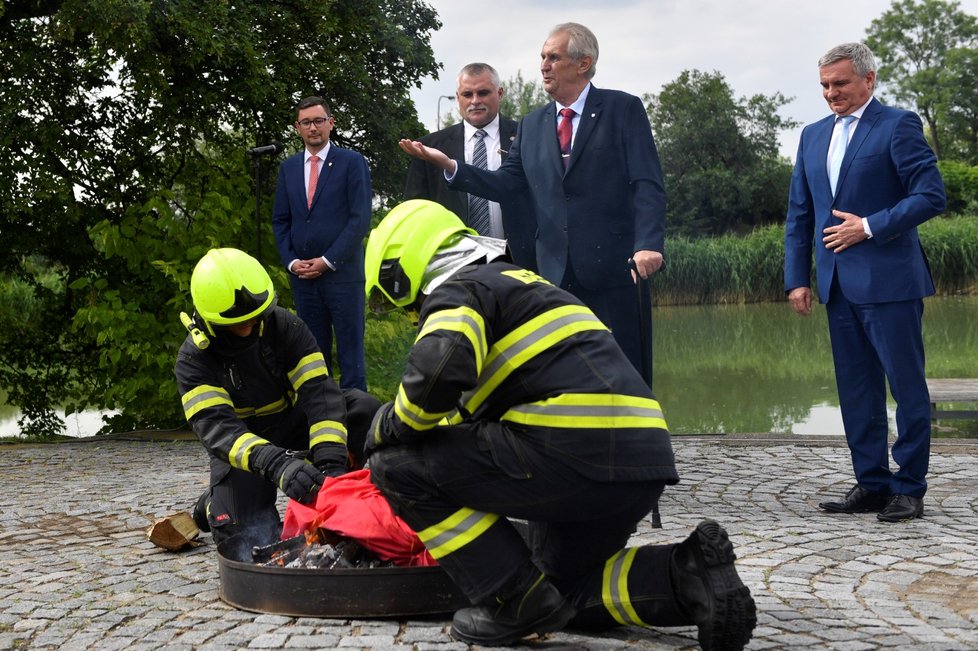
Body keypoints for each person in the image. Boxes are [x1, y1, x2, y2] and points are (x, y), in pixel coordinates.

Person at [361, 200, 755, 649]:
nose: (414, 316)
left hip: (568, 450)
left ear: (405, 269)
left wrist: (383, 428)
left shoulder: (460, 288)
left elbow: (434, 379)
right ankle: (689, 575)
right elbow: (464, 419)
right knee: (558, 594)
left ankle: (511, 602)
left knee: (395, 463)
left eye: (407, 304)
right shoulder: (529, 286)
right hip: (639, 462)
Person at [398, 23, 665, 386]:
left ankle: (637, 437)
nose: (544, 65)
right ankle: (573, 438)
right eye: (542, 56)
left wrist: (648, 245)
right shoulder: (533, 124)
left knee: (625, 364)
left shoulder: (623, 109)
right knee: (565, 366)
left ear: (583, 63)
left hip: (616, 267)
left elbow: (646, 184)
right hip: (554, 269)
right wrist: (450, 166)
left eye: (553, 57)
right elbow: (507, 184)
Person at [784, 43, 946, 523]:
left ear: (868, 80)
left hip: (891, 282)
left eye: (840, 83)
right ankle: (872, 484)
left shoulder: (897, 125)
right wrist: (797, 278)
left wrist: (869, 226)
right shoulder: (812, 136)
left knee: (906, 388)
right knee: (857, 391)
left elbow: (931, 195)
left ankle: (909, 487)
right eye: (825, 86)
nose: (831, 93)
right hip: (836, 285)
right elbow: (800, 213)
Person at [174, 248, 379, 545]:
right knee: (246, 537)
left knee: (364, 408)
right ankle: (211, 504)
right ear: (209, 320)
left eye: (255, 318)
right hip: (242, 448)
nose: (247, 329)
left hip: (289, 425)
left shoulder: (285, 326)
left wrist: (330, 465)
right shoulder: (194, 360)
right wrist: (277, 464)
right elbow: (220, 431)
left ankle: (354, 492)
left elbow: (320, 395)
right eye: (236, 324)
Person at [272, 96, 372, 391]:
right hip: (303, 278)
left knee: (351, 356)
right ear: (297, 128)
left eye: (318, 120)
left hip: (342, 275)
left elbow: (360, 218)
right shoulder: (288, 168)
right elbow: (281, 221)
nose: (313, 128)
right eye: (306, 122)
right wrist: (291, 262)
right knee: (313, 356)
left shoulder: (352, 163)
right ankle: (323, 419)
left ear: (331, 123)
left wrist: (328, 260)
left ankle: (357, 425)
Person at [403, 62, 536, 270]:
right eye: (467, 94)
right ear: (458, 98)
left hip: (519, 264)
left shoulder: (528, 138)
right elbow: (416, 211)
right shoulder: (429, 147)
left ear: (500, 93)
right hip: (452, 267)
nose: (475, 101)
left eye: (483, 93)